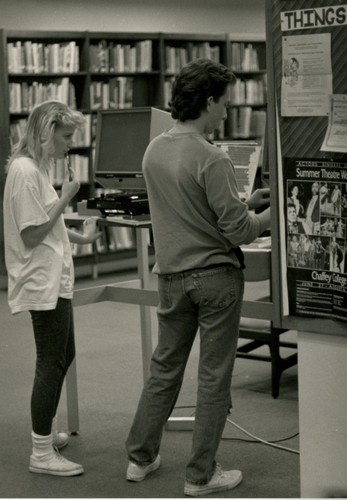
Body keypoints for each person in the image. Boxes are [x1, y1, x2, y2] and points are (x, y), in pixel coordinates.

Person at [125, 58, 271, 496]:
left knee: (163, 370)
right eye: (224, 103)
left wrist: (245, 202)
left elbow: (186, 208)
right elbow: (239, 231)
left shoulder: (154, 150)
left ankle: (139, 458)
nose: (227, 111)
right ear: (208, 102)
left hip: (170, 277)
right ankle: (201, 475)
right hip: (215, 280)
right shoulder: (213, 157)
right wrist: (268, 214)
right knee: (213, 376)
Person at [3, 100, 101, 477]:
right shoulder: (26, 171)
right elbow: (31, 234)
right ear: (46, 132)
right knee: (51, 361)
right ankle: (41, 450)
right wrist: (66, 197)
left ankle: (45, 431)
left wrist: (81, 238)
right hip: (40, 281)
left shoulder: (34, 169)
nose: (68, 145)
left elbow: (49, 226)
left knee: (64, 353)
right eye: (65, 136)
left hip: (53, 278)